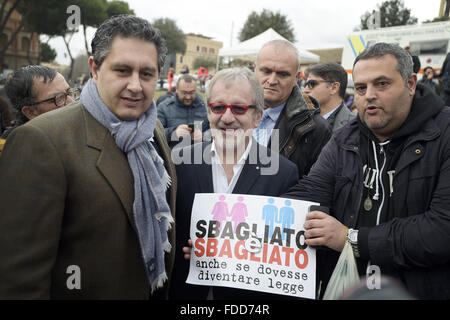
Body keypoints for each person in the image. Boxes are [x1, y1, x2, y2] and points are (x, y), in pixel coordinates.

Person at [0, 14, 177, 299]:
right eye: (122, 70)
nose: (135, 85)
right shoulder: (41, 140)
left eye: (146, 74)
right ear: (94, 68)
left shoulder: (152, 128)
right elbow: (20, 280)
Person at [284, 42, 450, 300]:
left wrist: (352, 240)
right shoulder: (343, 139)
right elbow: (309, 194)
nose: (369, 95)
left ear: (411, 84)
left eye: (381, 84)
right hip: (349, 288)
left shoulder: (444, 134)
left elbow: (441, 229)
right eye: (361, 88)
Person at [170, 67, 299, 300]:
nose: (227, 118)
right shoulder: (180, 165)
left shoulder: (283, 173)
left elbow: (283, 257)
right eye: (218, 107)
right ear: (208, 112)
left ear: (258, 116)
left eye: (239, 108)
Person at [253, 39, 331, 177]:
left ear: (297, 78)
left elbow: (314, 186)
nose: (271, 81)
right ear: (254, 69)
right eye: (266, 71)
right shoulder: (226, 111)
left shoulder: (315, 128)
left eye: (283, 74)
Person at [1, 65, 76, 139]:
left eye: (69, 92)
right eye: (58, 98)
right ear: (30, 112)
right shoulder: (13, 148)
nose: (72, 102)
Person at [157, 74, 208, 147]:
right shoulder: (164, 108)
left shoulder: (205, 107)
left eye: (191, 92)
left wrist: (203, 136)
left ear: (196, 90)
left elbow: (214, 131)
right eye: (184, 93)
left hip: (200, 155)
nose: (188, 97)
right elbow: (155, 135)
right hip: (172, 156)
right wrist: (173, 134)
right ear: (176, 90)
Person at [304, 62, 356, 132]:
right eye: (306, 84)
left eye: (312, 84)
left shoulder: (355, 126)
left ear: (334, 87)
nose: (305, 90)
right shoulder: (301, 121)